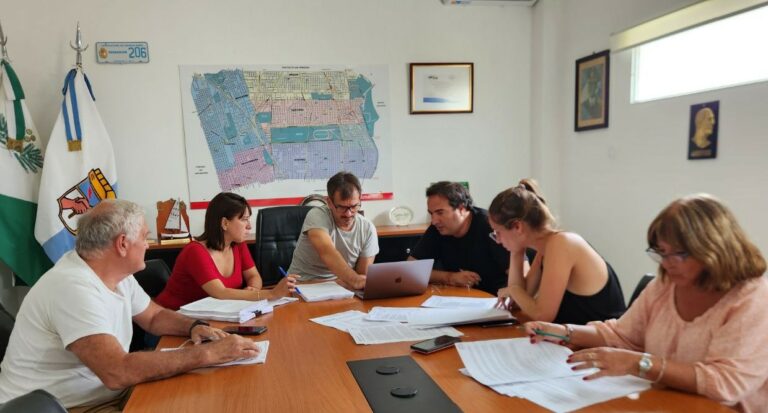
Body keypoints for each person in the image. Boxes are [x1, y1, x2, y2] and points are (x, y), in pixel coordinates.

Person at [0, 200, 260, 411]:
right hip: (67, 407)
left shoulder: (116, 274)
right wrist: (209, 354)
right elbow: (117, 371)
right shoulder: (72, 287)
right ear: (122, 244)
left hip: (102, 396)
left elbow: (153, 317)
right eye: (145, 237)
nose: (148, 244)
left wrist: (194, 326)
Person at [525, 194, 768, 413]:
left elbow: (726, 384)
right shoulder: (666, 285)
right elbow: (622, 335)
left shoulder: (752, 298)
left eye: (679, 254)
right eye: (661, 252)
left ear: (714, 247)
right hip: (665, 402)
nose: (667, 263)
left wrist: (638, 364)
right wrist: (566, 332)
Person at [489, 179, 625, 324]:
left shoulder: (561, 244)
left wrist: (513, 290)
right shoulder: (545, 250)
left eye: (498, 232)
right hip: (573, 334)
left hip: (602, 336)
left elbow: (542, 315)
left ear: (517, 227)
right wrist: (516, 252)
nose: (498, 240)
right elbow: (520, 301)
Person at [156, 192, 297, 310]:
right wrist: (271, 294)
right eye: (244, 220)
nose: (249, 226)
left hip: (212, 316)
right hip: (172, 320)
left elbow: (254, 276)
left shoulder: (238, 244)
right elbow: (220, 293)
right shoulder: (195, 251)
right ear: (224, 223)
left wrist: (252, 290)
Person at [409, 181, 524, 295]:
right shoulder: (438, 228)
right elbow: (411, 269)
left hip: (496, 298)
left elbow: (522, 275)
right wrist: (450, 277)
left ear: (462, 209)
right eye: (431, 214)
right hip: (461, 297)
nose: (434, 221)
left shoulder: (491, 225)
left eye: (440, 213)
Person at [288, 171, 378, 290]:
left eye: (354, 206)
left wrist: (356, 281)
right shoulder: (316, 216)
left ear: (360, 200)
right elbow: (327, 252)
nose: (348, 214)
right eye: (342, 207)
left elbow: (362, 277)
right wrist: (354, 280)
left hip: (343, 287)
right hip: (305, 284)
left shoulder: (368, 228)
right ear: (329, 202)